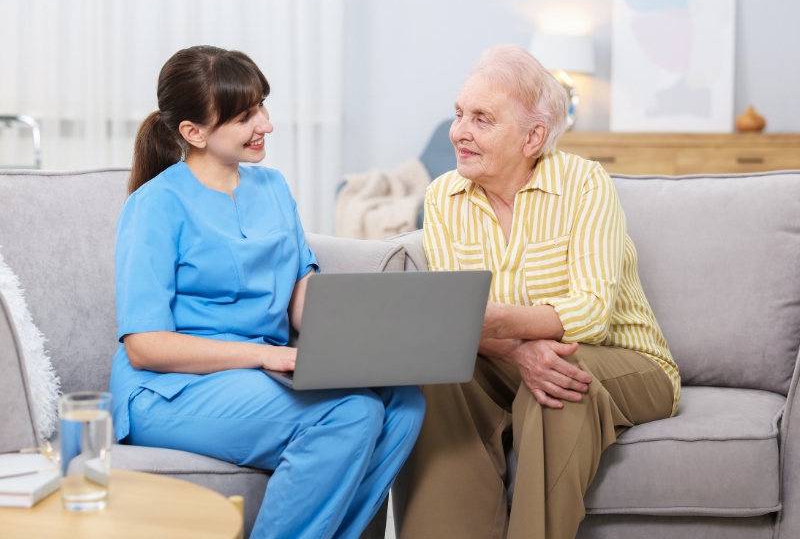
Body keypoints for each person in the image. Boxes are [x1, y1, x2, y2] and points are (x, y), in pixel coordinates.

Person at [109, 45, 425, 539]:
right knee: (352, 413)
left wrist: (366, 336)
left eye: (261, 106)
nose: (266, 124)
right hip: (169, 390)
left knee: (405, 401)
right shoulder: (155, 206)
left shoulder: (272, 187)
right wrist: (263, 357)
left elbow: (300, 293)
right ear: (194, 133)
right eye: (244, 116)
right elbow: (146, 346)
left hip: (262, 372)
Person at [398, 44, 680, 539]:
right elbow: (456, 324)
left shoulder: (584, 184)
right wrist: (515, 347)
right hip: (505, 361)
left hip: (624, 358)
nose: (459, 132)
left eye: (482, 119)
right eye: (459, 113)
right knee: (437, 376)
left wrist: (497, 326)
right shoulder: (444, 196)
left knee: (557, 377)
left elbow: (591, 313)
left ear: (533, 137)